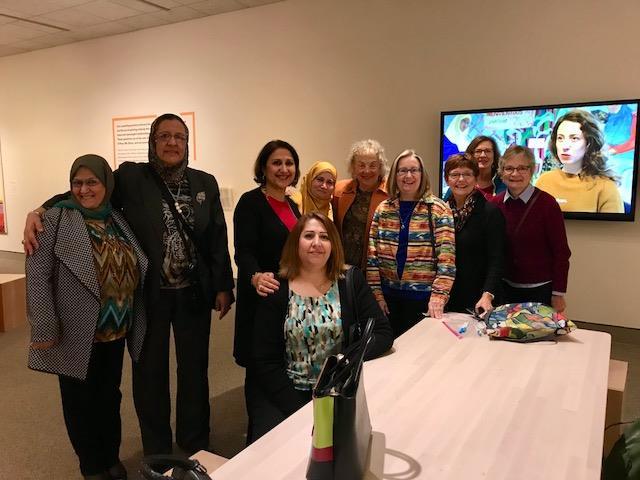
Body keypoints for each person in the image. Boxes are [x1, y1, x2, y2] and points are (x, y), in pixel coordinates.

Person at [23, 113, 235, 456]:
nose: (171, 143)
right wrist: (40, 209)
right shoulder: (132, 177)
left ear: (187, 143)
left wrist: (224, 286)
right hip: (149, 295)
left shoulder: (204, 182)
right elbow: (86, 189)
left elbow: (216, 237)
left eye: (179, 137)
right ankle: (157, 447)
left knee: (194, 369)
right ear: (152, 143)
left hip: (192, 293)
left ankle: (194, 440)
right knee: (150, 373)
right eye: (163, 136)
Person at [27, 154, 148, 480]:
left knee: (109, 396)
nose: (84, 189)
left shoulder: (116, 218)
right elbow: (38, 276)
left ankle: (110, 456)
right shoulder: (54, 220)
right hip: (74, 330)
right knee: (79, 401)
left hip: (115, 330)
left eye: (92, 182)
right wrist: (43, 325)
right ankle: (91, 465)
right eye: (77, 183)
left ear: (106, 184)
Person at [251, 213, 393, 439]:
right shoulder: (277, 287)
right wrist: (301, 410)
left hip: (338, 391)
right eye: (309, 236)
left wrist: (343, 363)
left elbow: (382, 333)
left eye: (324, 237)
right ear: (296, 243)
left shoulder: (350, 280)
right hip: (287, 394)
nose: (317, 243)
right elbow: (264, 360)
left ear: (333, 245)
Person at [233, 140, 301, 443]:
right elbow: (243, 251)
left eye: (289, 163)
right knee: (261, 371)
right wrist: (254, 276)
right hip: (262, 295)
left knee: (280, 369)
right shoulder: (250, 202)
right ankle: (257, 443)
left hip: (287, 299)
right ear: (263, 167)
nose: (284, 169)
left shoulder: (292, 204)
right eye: (277, 163)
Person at [367, 149, 456, 337]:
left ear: (422, 174)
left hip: (424, 301)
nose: (408, 176)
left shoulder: (438, 209)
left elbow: (447, 261)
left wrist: (438, 297)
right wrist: (377, 295)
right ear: (395, 175)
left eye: (414, 170)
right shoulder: (383, 209)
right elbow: (372, 257)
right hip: (388, 300)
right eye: (402, 170)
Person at [491, 145, 571, 312]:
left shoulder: (547, 204)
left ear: (532, 169)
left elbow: (561, 252)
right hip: (505, 288)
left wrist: (558, 294)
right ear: (501, 171)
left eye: (522, 168)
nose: (515, 174)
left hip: (540, 290)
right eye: (509, 168)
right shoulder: (495, 204)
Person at [443, 153, 505, 314]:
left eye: (467, 174)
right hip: (446, 297)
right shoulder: (441, 212)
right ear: (446, 179)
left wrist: (487, 295)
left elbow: (497, 260)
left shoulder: (490, 212)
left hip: (480, 299)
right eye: (455, 174)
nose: (461, 179)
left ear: (476, 178)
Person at [535, 109, 624, 213]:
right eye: (560, 138)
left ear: (589, 143)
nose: (565, 146)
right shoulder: (544, 180)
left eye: (574, 138)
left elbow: (614, 229)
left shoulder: (605, 187)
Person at [333, 139, 389, 270]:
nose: (367, 170)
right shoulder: (340, 190)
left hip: (376, 270)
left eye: (373, 165)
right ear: (353, 167)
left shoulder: (391, 194)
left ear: (380, 166)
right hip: (343, 267)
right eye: (361, 165)